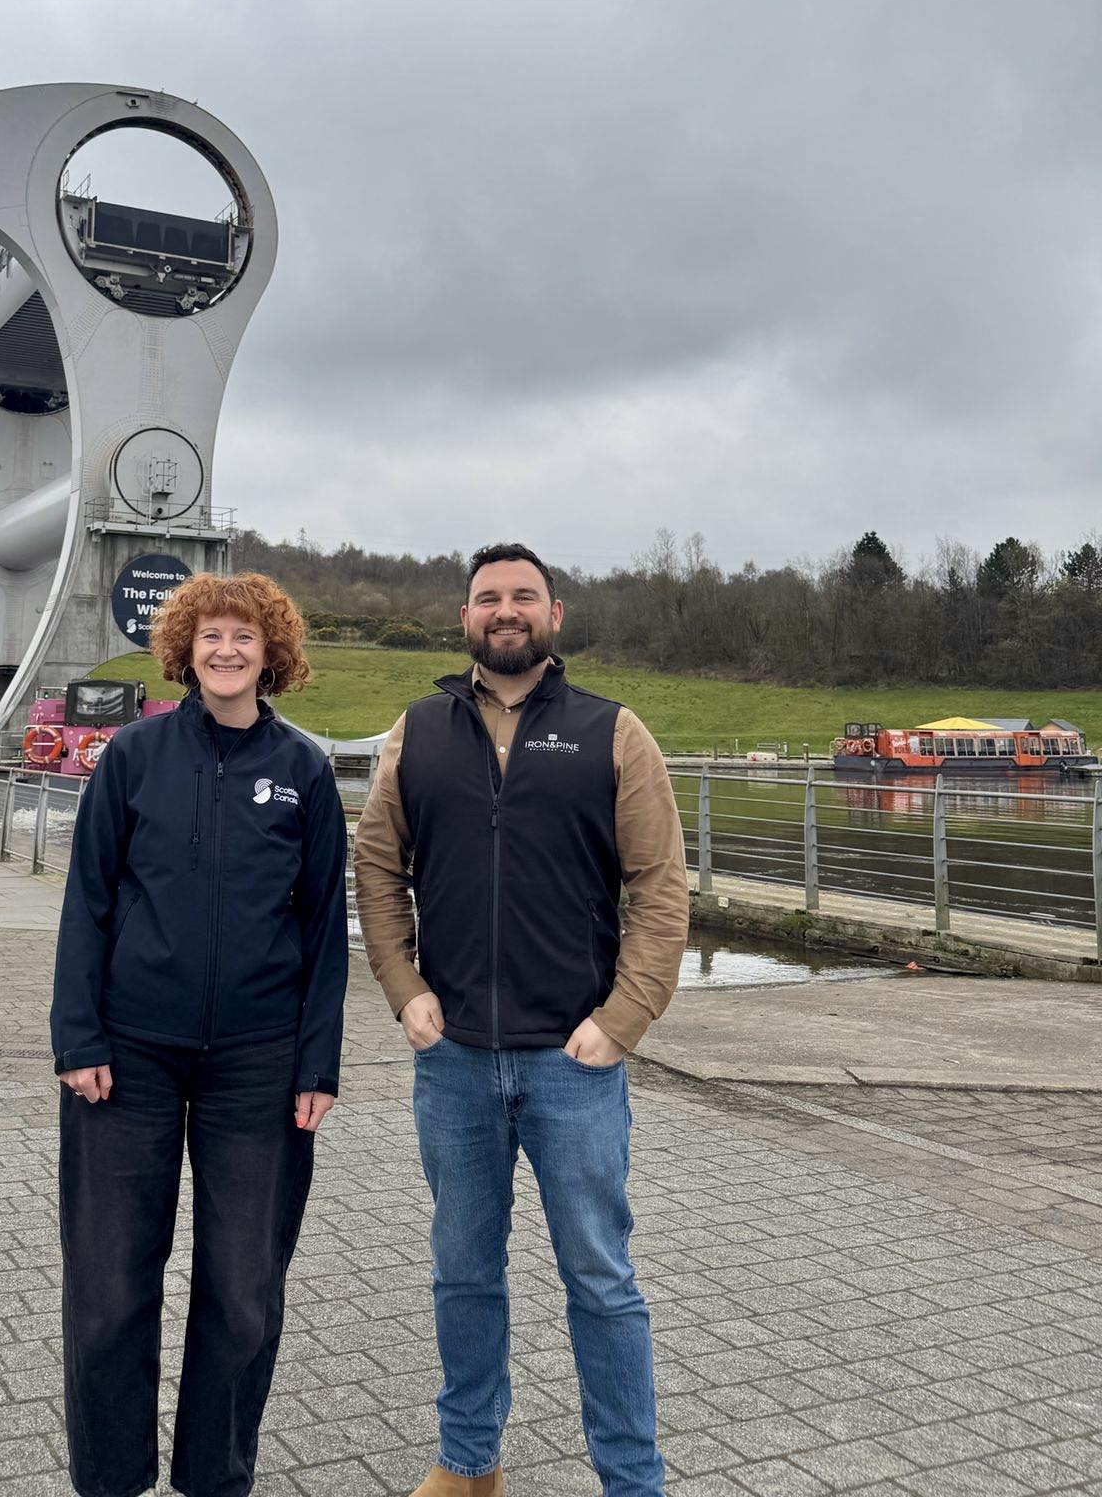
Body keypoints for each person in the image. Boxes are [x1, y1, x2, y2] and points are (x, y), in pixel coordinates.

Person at [354, 544, 689, 1497]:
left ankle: (632, 1482)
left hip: (573, 1065)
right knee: (464, 1272)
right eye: (488, 598)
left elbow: (660, 889)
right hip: (452, 1059)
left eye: (523, 597)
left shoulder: (615, 733)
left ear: (555, 616)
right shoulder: (415, 733)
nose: (506, 611)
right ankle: (469, 1466)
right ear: (464, 618)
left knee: (600, 1280)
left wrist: (624, 1019)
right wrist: (402, 984)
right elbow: (377, 868)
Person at [51, 572, 348, 1497]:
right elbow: (87, 905)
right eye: (211, 636)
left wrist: (317, 1061)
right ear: (185, 648)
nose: (227, 651)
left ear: (274, 653)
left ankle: (215, 1478)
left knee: (242, 1291)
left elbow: (322, 927)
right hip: (127, 1056)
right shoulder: (134, 758)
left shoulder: (302, 772)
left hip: (259, 1065)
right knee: (108, 1288)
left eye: (245, 637)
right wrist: (79, 1038)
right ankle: (109, 1478)